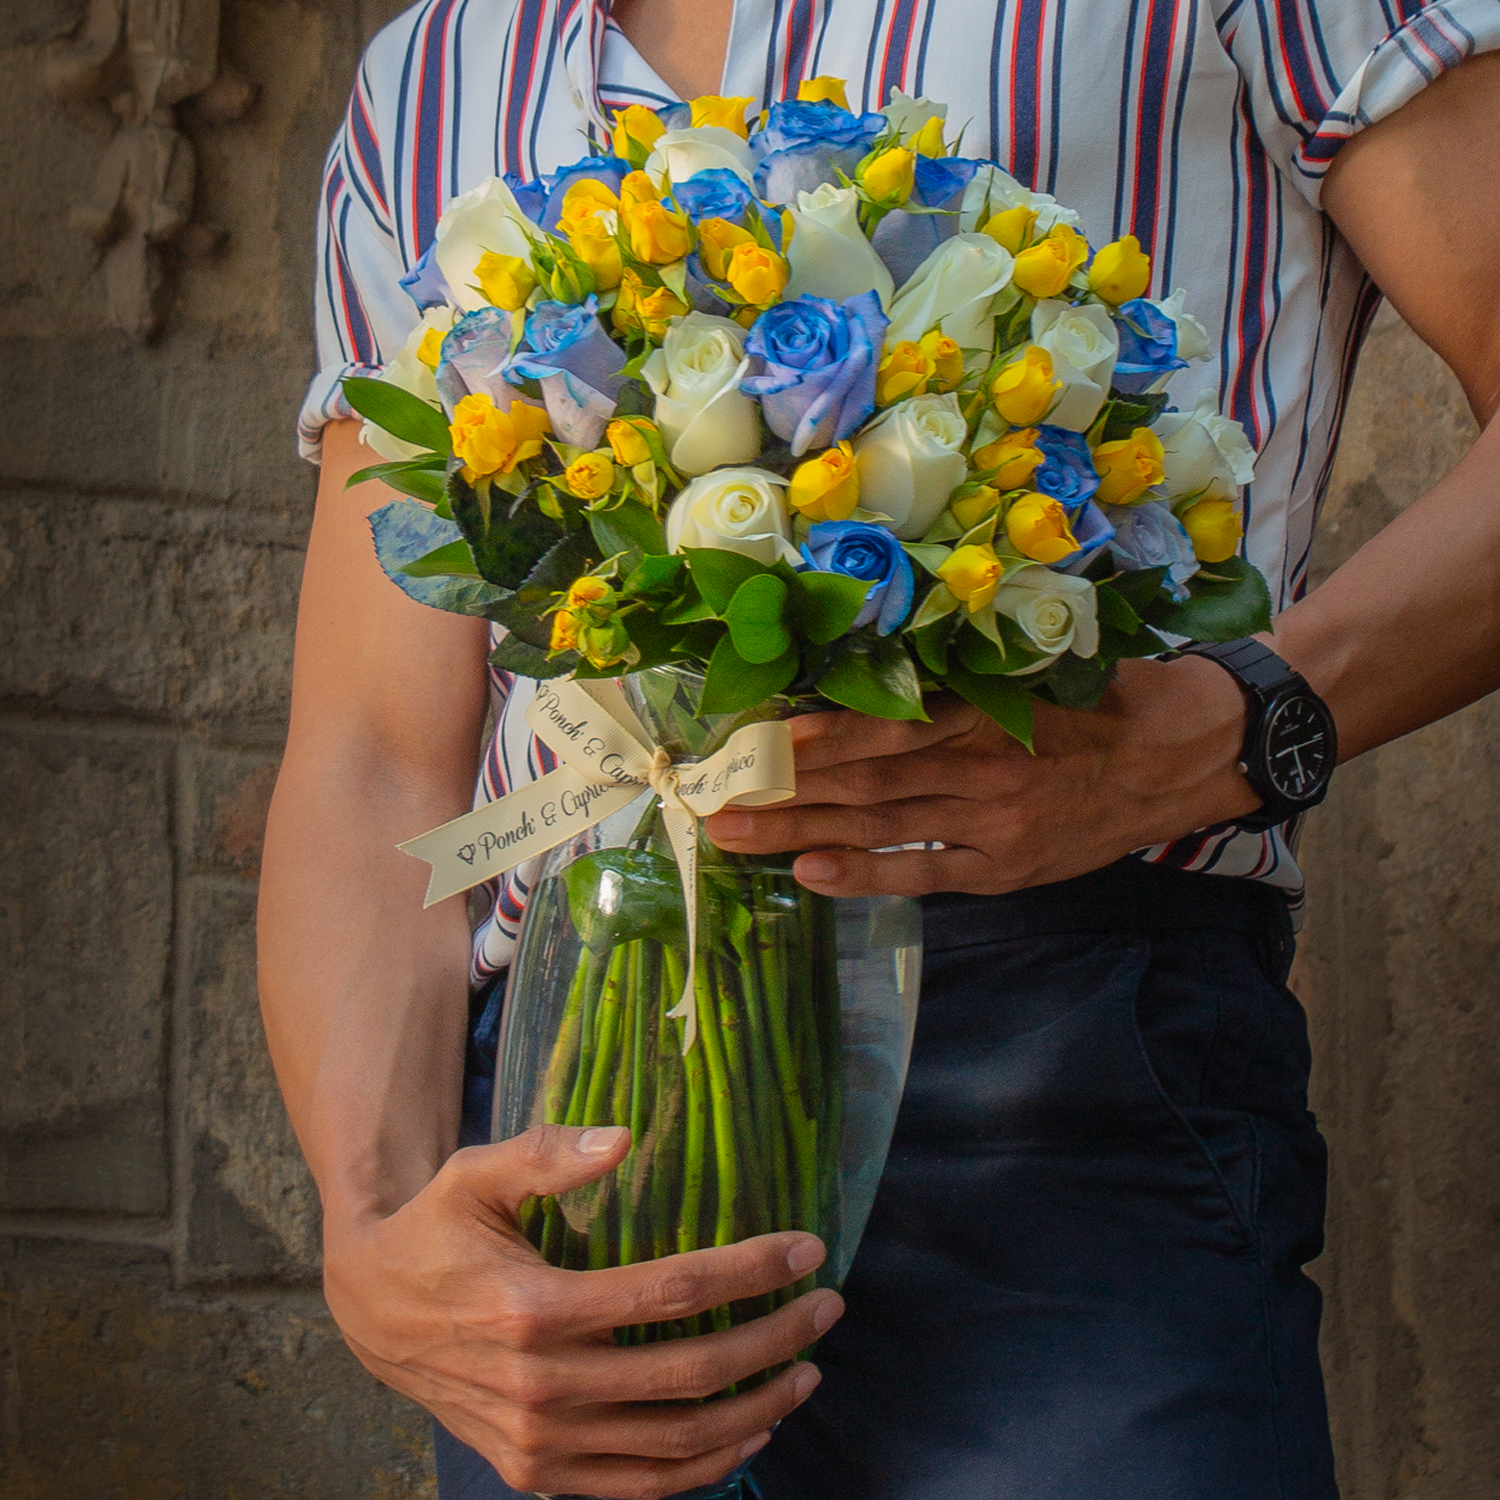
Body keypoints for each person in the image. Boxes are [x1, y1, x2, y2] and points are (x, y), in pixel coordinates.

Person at [258, 1, 1500, 1495]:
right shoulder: (431, 74)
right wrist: (379, 1231)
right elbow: (375, 755)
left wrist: (1233, 727)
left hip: (1066, 1085)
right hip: (575, 1111)